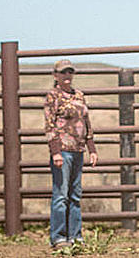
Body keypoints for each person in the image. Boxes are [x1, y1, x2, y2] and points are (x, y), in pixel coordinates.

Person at [44, 58, 98, 248]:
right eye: (63, 72)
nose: (67, 76)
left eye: (70, 72)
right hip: (64, 151)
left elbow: (86, 122)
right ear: (55, 75)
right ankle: (59, 236)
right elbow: (50, 125)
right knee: (61, 195)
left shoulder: (79, 95)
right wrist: (55, 151)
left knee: (75, 195)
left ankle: (75, 236)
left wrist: (91, 148)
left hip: (78, 150)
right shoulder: (53, 96)